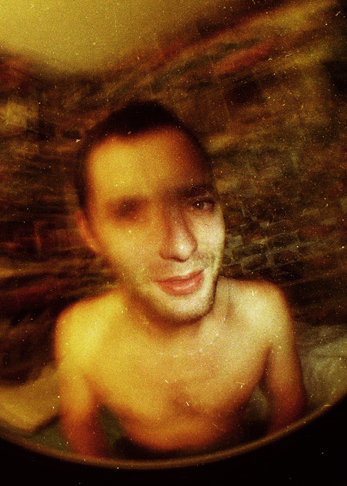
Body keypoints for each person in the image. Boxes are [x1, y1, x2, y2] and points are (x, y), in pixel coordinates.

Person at [54, 100, 306, 459]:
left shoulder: (263, 310)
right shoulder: (80, 333)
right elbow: (80, 424)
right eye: (130, 213)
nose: (182, 246)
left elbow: (290, 404)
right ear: (90, 233)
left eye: (198, 203)